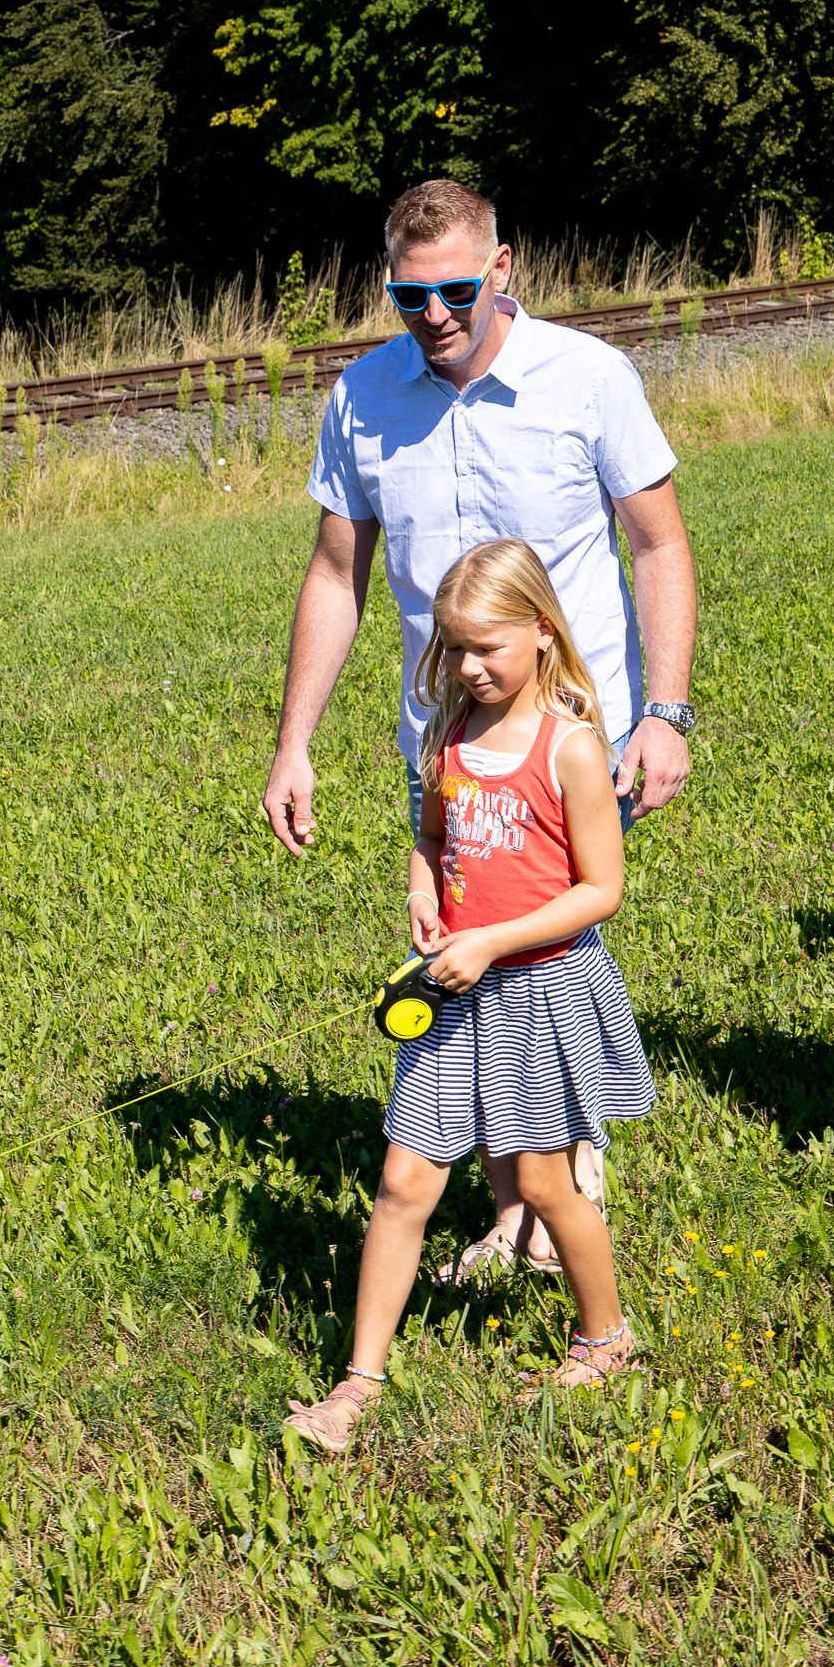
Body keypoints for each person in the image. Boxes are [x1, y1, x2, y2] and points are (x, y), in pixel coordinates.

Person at [265, 178, 697, 1275]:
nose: (439, 313)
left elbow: (659, 545)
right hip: (446, 748)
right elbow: (335, 570)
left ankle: (563, 1173)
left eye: (459, 288)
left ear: (503, 268)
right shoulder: (362, 397)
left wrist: (665, 713)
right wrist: (294, 742)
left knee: (542, 945)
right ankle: (521, 1198)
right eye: (413, 297)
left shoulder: (587, 377)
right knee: (474, 950)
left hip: (569, 737)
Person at [285, 542, 654, 1452]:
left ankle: (606, 1339)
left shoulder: (569, 747)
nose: (468, 666)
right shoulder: (450, 732)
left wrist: (489, 938)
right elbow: (432, 835)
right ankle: (358, 1382)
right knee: (405, 1178)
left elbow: (599, 889)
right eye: (453, 648)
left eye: (486, 647)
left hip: (538, 989)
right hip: (454, 991)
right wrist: (422, 891)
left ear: (540, 632)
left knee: (540, 1179)